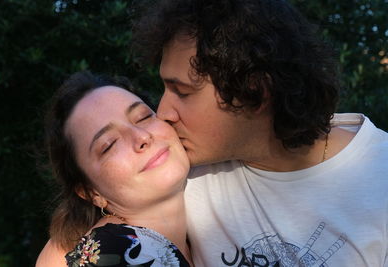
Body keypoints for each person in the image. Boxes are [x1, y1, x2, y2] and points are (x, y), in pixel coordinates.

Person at [132, 0, 388, 266]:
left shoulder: (380, 180)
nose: (162, 113)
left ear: (255, 92)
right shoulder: (175, 169)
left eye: (182, 92)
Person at [35, 71, 192, 267]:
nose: (142, 137)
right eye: (109, 144)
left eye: (143, 117)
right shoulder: (115, 254)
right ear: (91, 192)